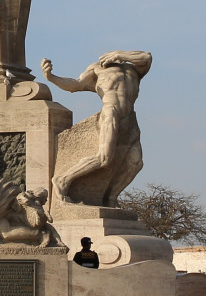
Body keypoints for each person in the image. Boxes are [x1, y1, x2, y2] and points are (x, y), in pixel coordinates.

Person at [43, 52, 152, 205]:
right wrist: (51, 77)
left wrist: (119, 55)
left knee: (135, 164)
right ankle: (63, 179)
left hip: (130, 119)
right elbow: (75, 85)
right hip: (111, 113)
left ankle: (110, 198)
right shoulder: (97, 68)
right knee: (104, 158)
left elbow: (147, 57)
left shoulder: (134, 69)